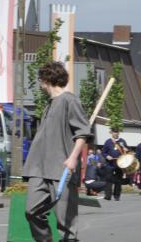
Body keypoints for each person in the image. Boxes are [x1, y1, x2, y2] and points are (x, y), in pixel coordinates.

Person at [22, 62, 91, 242]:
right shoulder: (49, 104)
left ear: (46, 79)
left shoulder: (70, 100)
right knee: (32, 211)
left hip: (61, 169)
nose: (39, 83)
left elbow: (82, 133)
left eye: (40, 79)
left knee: (65, 222)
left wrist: (73, 158)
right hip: (39, 168)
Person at [100, 128, 125, 201]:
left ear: (118, 133)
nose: (115, 133)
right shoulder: (108, 142)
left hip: (119, 164)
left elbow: (126, 150)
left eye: (117, 132)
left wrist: (126, 149)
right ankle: (108, 196)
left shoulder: (122, 141)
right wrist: (107, 156)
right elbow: (103, 152)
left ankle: (117, 196)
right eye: (114, 132)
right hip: (110, 164)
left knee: (118, 180)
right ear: (112, 133)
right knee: (108, 180)